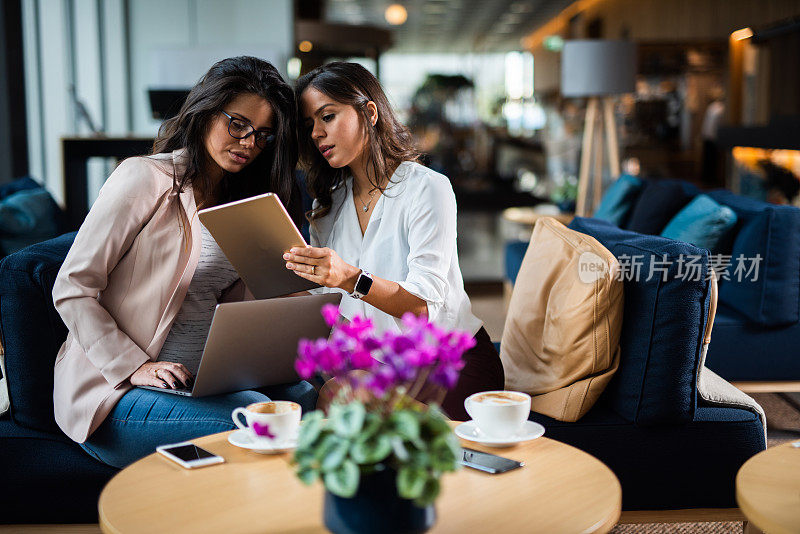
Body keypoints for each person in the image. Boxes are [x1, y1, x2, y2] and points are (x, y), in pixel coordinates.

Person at [52, 57, 315, 468]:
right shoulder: (145, 179)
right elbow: (72, 287)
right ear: (207, 111)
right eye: (238, 125)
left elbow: (251, 306)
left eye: (262, 135)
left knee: (303, 397)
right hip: (117, 390)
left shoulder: (246, 203)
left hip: (205, 381)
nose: (248, 142)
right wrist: (135, 366)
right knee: (252, 417)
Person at [287, 62, 504, 420]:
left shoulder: (426, 188)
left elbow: (423, 308)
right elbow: (329, 312)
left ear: (369, 112)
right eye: (309, 124)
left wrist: (350, 278)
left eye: (327, 117)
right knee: (306, 388)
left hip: (448, 366)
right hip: (380, 367)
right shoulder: (327, 206)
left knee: (340, 396)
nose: (315, 133)